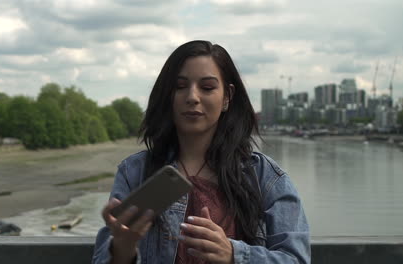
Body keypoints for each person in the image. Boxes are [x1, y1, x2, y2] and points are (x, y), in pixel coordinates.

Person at [92, 40, 310, 264]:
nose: (192, 97)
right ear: (168, 96)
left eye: (207, 87)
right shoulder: (134, 173)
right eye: (179, 86)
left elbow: (296, 259)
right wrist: (122, 249)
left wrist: (233, 255)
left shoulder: (267, 178)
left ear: (227, 97)